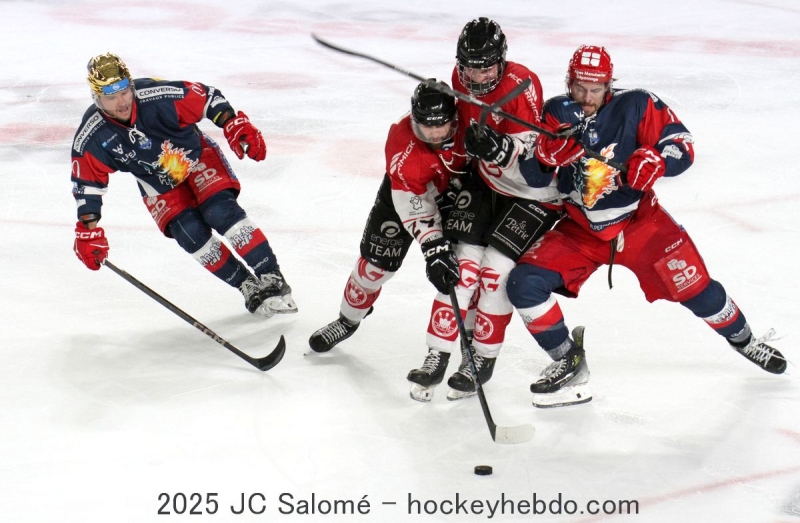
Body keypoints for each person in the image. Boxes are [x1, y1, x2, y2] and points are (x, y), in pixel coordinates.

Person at [503, 45, 787, 408]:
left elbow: (680, 146)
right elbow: (530, 173)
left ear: (609, 84)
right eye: (579, 88)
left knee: (699, 292)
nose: (587, 98)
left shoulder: (636, 105)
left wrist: (657, 160)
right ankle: (567, 360)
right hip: (580, 230)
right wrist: (544, 156)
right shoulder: (555, 112)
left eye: (596, 88)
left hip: (641, 224)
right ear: (569, 83)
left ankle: (746, 341)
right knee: (524, 284)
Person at [406, 17, 562, 401]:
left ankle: (482, 357)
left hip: (530, 197)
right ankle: (437, 353)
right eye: (469, 65)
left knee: (495, 274)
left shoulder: (522, 86)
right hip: (485, 185)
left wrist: (498, 148)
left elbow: (535, 168)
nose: (476, 75)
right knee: (462, 268)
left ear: (502, 59)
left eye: (485, 66)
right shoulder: (460, 80)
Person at [71, 53, 297, 317]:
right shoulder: (93, 135)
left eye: (124, 92)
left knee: (219, 211)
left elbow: (209, 97)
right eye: (111, 97)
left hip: (195, 156)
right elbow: (87, 185)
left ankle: (271, 276)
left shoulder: (158, 96)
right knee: (189, 233)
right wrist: (88, 229)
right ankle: (247, 286)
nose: (121, 102)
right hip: (157, 182)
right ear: (96, 98)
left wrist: (233, 122)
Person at [308, 81, 467, 356]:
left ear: (453, 119)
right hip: (403, 195)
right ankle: (348, 319)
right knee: (374, 267)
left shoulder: (469, 124)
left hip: (458, 196)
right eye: (426, 126)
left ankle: (466, 349)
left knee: (464, 269)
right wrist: (432, 244)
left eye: (440, 125)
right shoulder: (401, 140)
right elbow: (412, 202)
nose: (434, 133)